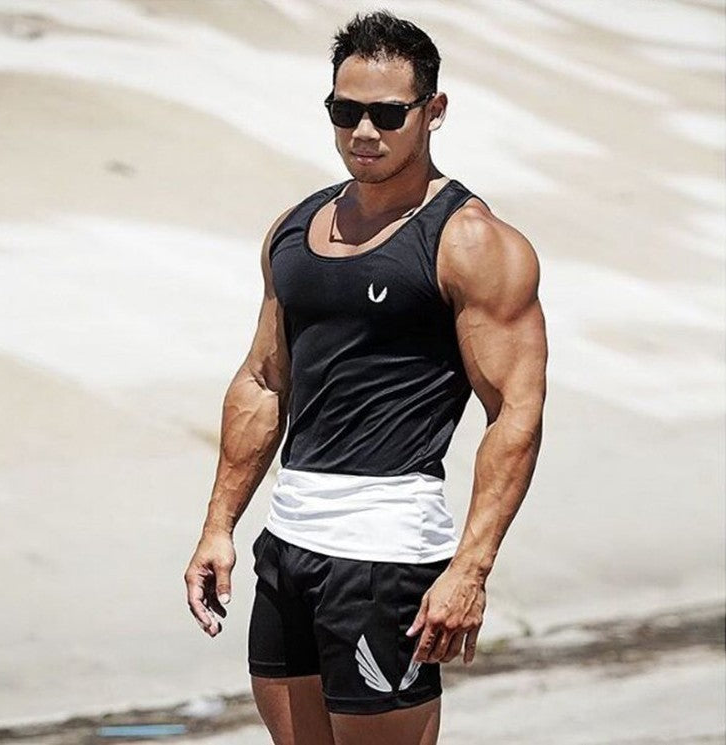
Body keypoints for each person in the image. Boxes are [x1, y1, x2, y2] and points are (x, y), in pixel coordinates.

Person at [184, 10, 547, 745]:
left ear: (433, 110)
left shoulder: (471, 242)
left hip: (387, 553)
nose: (364, 131)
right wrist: (218, 525)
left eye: (386, 113)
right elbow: (263, 381)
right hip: (288, 541)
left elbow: (515, 412)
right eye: (345, 111)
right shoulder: (295, 227)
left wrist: (470, 569)